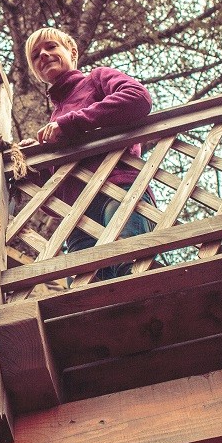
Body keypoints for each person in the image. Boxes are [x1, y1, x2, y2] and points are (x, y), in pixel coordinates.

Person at [24, 27, 155, 280]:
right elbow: (56, 195)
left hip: (117, 189)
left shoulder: (96, 79)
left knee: (131, 271)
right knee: (86, 291)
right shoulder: (54, 118)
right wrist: (34, 167)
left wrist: (71, 123)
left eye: (51, 47)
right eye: (35, 55)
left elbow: (137, 98)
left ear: (72, 52)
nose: (44, 55)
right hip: (78, 215)